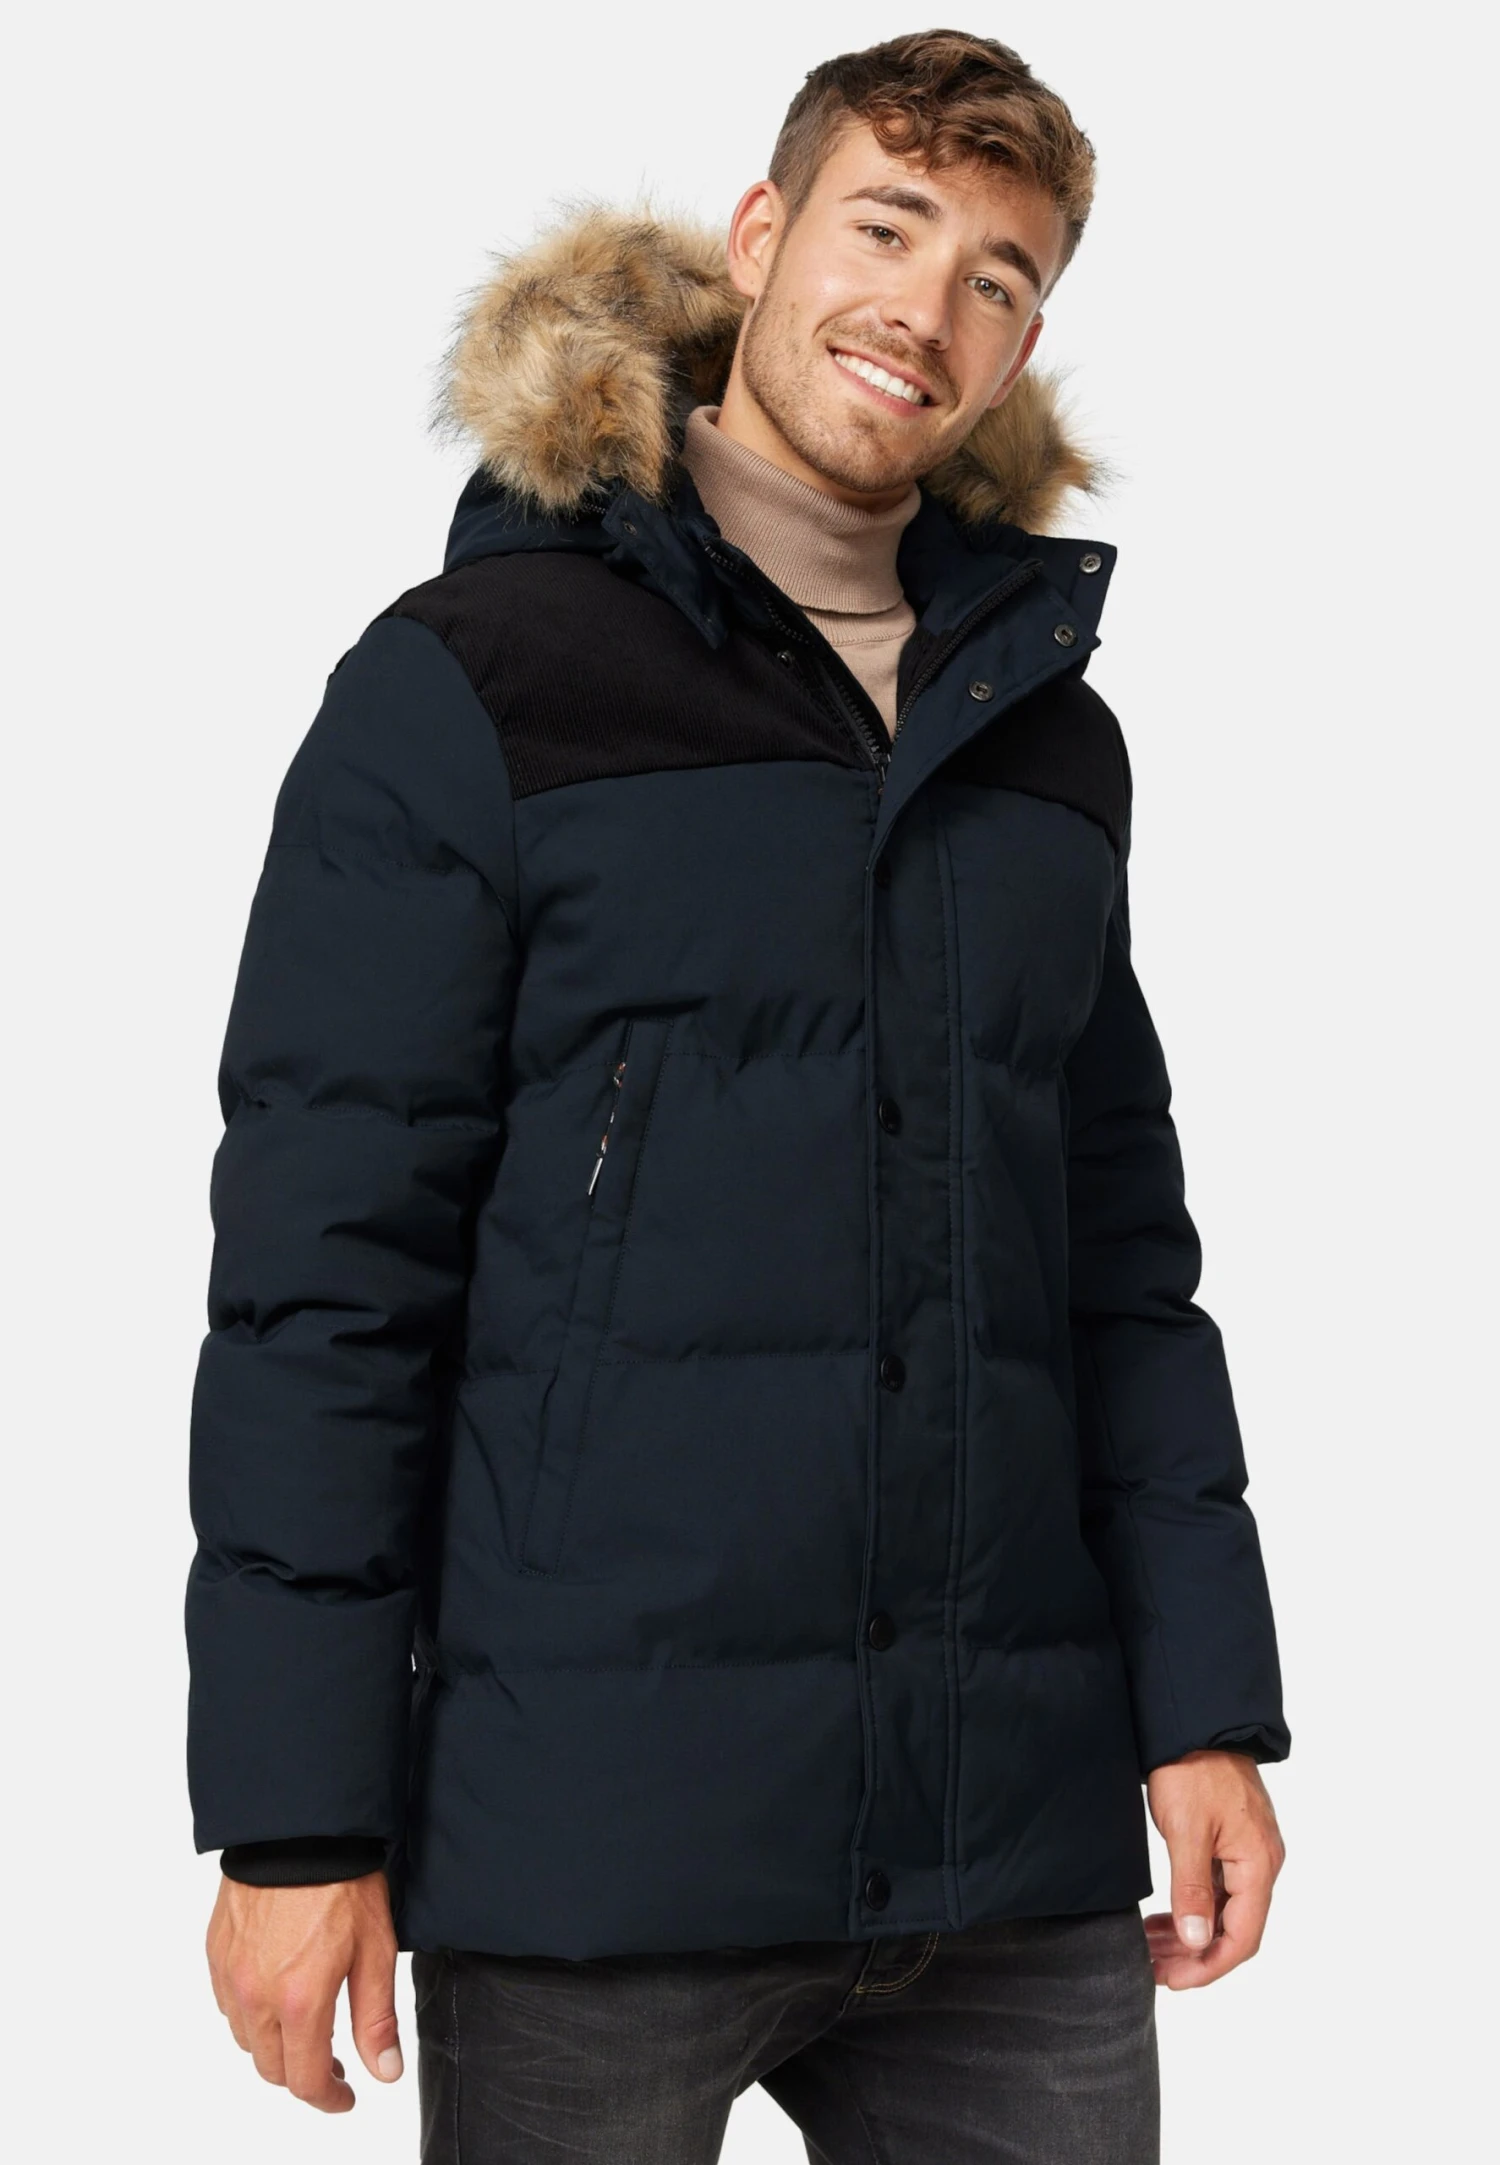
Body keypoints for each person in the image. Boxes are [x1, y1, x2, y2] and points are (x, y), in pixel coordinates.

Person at [187, 28, 1290, 2163]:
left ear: (1024, 342)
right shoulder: (481, 680)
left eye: (996, 276)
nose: (927, 307)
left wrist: (1205, 1706)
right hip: (593, 1842)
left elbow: (1121, 1265)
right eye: (888, 227)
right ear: (764, 235)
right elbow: (326, 1283)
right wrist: (293, 1818)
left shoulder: (1045, 734)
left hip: (1005, 1851)